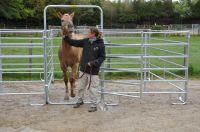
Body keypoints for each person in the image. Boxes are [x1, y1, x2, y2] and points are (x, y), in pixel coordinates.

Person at [63, 27, 105, 112]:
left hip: (93, 71)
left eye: (88, 32)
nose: (87, 33)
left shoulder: (100, 45)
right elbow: (74, 42)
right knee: (80, 86)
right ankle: (80, 100)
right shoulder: (85, 41)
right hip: (83, 69)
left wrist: (93, 63)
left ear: (93, 34)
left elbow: (102, 57)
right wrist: (65, 37)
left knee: (92, 88)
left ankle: (93, 104)